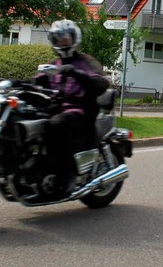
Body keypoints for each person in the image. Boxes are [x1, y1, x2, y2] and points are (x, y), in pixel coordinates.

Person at [34, 19, 109, 195]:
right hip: (58, 110)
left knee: (56, 124)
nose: (62, 41)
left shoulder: (86, 62)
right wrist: (17, 83)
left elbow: (101, 83)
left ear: (74, 38)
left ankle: (68, 174)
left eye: (66, 38)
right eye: (58, 38)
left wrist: (77, 73)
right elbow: (36, 81)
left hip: (81, 112)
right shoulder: (54, 65)